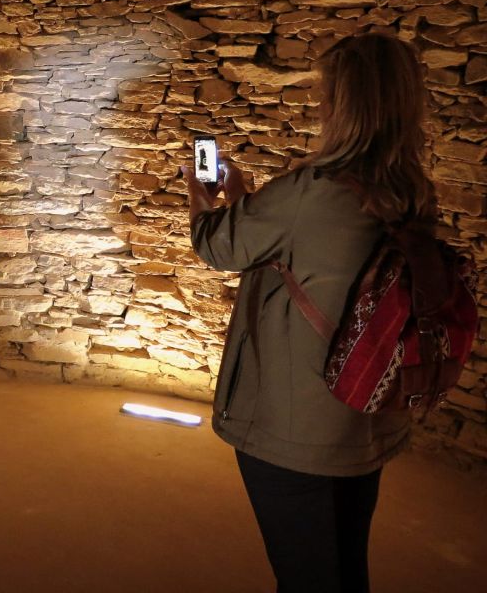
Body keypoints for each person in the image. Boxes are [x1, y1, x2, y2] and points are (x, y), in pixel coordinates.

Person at [184, 32, 435, 593]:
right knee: (344, 567)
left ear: (343, 106)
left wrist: (200, 194)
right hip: (366, 413)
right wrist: (244, 197)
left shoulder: (312, 192)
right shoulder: (412, 189)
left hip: (297, 429)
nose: (320, 105)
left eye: (328, 94)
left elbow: (219, 247)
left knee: (305, 577)